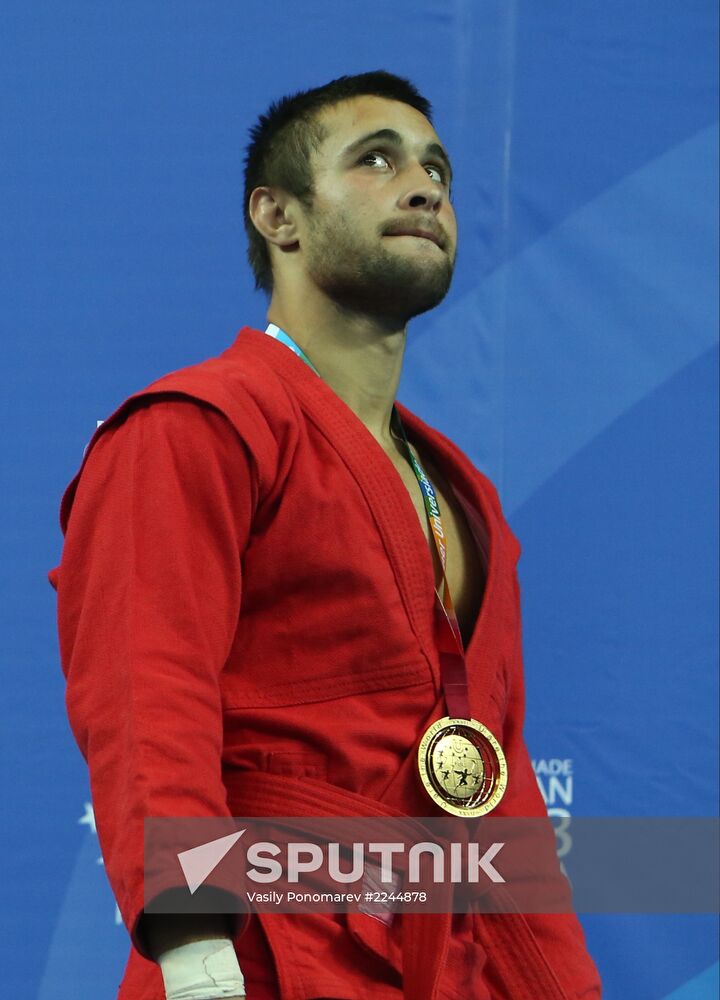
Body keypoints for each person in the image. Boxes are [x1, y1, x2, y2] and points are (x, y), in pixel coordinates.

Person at [50, 71, 602, 999]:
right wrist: (193, 948)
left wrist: (561, 986)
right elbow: (147, 688)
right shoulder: (194, 427)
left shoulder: (464, 496)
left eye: (437, 169)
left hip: (445, 962)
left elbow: (494, 789)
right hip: (267, 958)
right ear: (279, 217)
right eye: (376, 160)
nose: (424, 186)